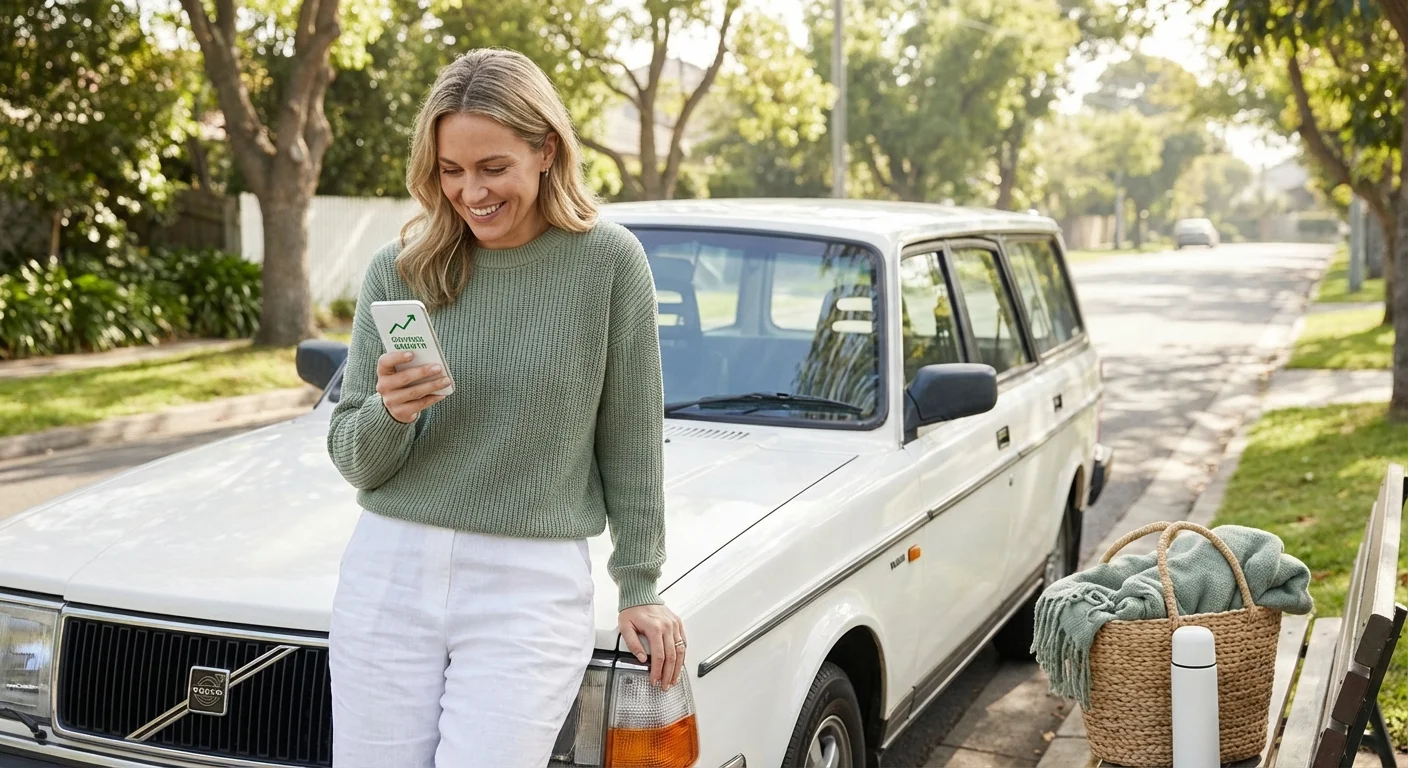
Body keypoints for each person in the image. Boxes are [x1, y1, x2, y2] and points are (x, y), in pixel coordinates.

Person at [325, 47, 684, 767]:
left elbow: (632, 437)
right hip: (389, 569)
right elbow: (351, 454)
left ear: (546, 149)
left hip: (530, 585)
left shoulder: (609, 263)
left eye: (493, 168)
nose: (470, 192)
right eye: (450, 171)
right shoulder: (398, 270)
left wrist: (639, 583)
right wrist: (390, 412)